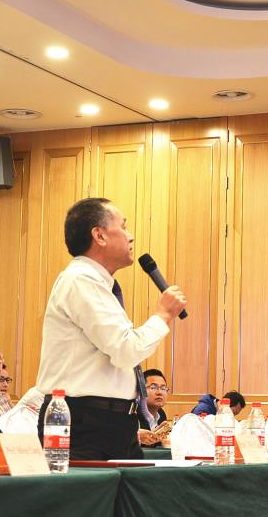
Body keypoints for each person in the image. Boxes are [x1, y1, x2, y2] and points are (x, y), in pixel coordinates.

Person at [34, 197, 187, 460]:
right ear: (99, 235)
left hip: (115, 420)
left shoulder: (100, 284)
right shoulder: (80, 280)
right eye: (124, 227)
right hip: (83, 421)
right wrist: (163, 314)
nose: (131, 236)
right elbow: (126, 350)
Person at [137, 368, 169, 447]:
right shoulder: (132, 413)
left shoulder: (161, 414)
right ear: (141, 391)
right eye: (153, 387)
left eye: (163, 388)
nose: (159, 392)